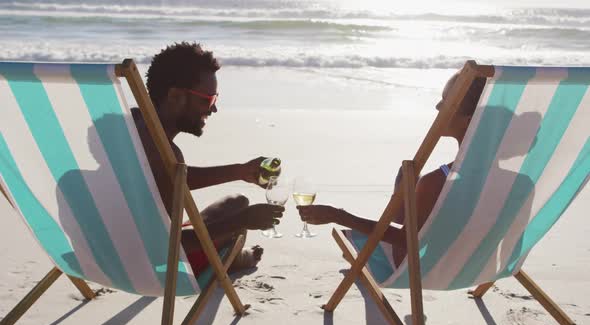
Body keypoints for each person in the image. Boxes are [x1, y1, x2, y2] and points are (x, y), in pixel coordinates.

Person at [297, 72, 487, 267]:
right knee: (411, 200)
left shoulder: (438, 181)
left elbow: (407, 241)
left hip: (429, 266)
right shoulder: (512, 179)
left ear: (468, 118)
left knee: (355, 234)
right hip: (482, 263)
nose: (437, 106)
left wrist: (338, 216)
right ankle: (404, 204)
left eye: (446, 101)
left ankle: (402, 203)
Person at [132, 42, 284, 274]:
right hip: (154, 266)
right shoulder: (165, 153)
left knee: (236, 201)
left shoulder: (127, 128)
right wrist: (243, 221)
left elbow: (164, 177)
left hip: (101, 252)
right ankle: (233, 258)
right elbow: (172, 247)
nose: (213, 109)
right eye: (207, 99)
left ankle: (232, 249)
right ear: (175, 96)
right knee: (239, 211)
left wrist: (239, 171)